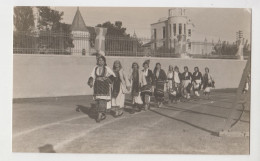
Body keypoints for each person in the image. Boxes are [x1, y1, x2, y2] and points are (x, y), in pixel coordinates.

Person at [88, 55, 115, 123]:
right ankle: (102, 114)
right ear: (97, 61)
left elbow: (113, 75)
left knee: (102, 100)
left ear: (104, 61)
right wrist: (91, 81)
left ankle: (99, 116)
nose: (101, 62)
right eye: (99, 60)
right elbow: (92, 75)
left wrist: (106, 78)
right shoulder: (95, 68)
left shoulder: (107, 68)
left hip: (104, 86)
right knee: (98, 101)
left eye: (102, 60)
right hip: (97, 86)